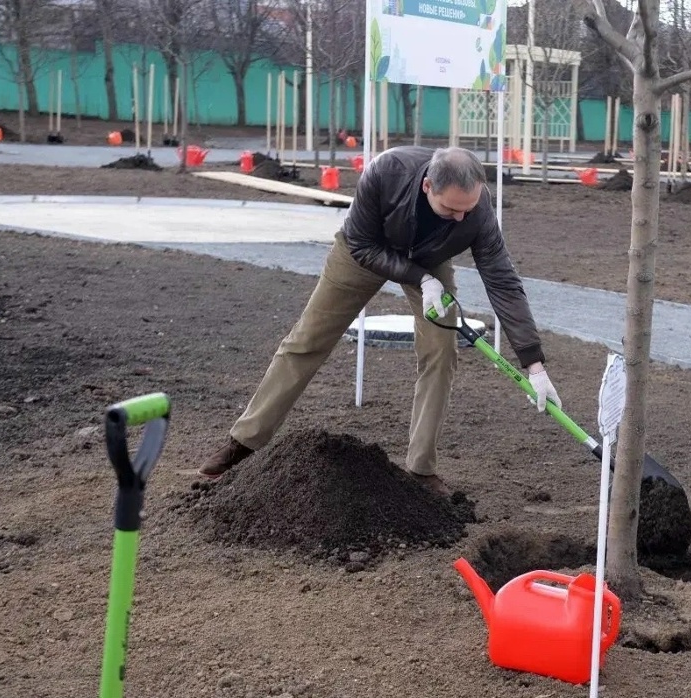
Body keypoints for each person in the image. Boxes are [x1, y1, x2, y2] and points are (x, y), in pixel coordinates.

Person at [197, 145, 562, 495]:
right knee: (308, 340)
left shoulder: (476, 209)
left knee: (441, 352)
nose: (461, 218)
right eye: (451, 210)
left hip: (431, 260)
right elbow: (360, 243)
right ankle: (244, 442)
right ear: (427, 186)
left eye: (468, 210)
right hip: (364, 252)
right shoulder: (387, 172)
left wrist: (534, 363)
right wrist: (421, 278)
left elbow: (502, 281)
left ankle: (421, 469)